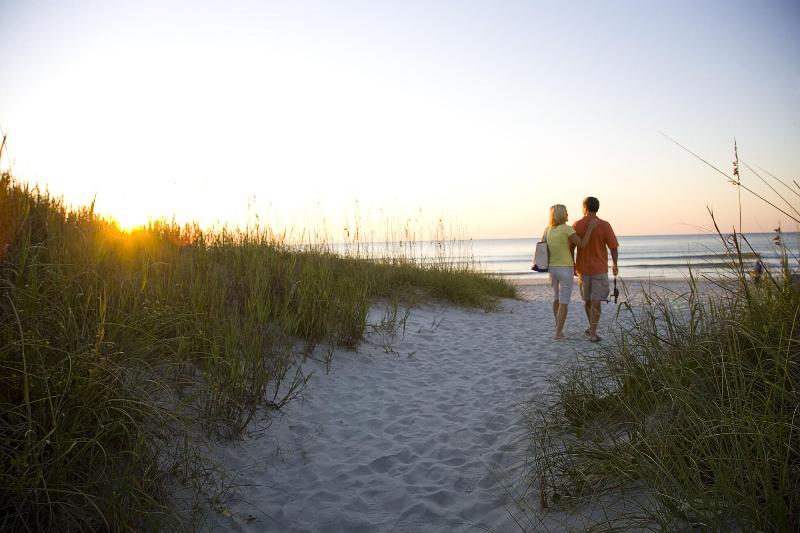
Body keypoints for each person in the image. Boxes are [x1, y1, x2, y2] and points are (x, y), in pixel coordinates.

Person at [544, 204, 598, 340]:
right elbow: (582, 244)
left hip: (552, 269)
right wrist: (590, 228)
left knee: (556, 298)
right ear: (561, 214)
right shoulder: (567, 229)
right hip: (565, 268)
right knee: (564, 302)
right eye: (566, 212)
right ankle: (558, 333)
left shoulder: (547, 230)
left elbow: (544, 248)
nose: (568, 214)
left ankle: (558, 328)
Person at [572, 197, 619, 342]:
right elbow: (613, 247)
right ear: (597, 208)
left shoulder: (577, 225)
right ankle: (593, 332)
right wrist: (615, 264)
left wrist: (573, 265)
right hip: (599, 269)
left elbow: (570, 248)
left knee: (587, 300)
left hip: (582, 269)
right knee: (596, 300)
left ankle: (591, 329)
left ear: (585, 208)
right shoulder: (605, 225)